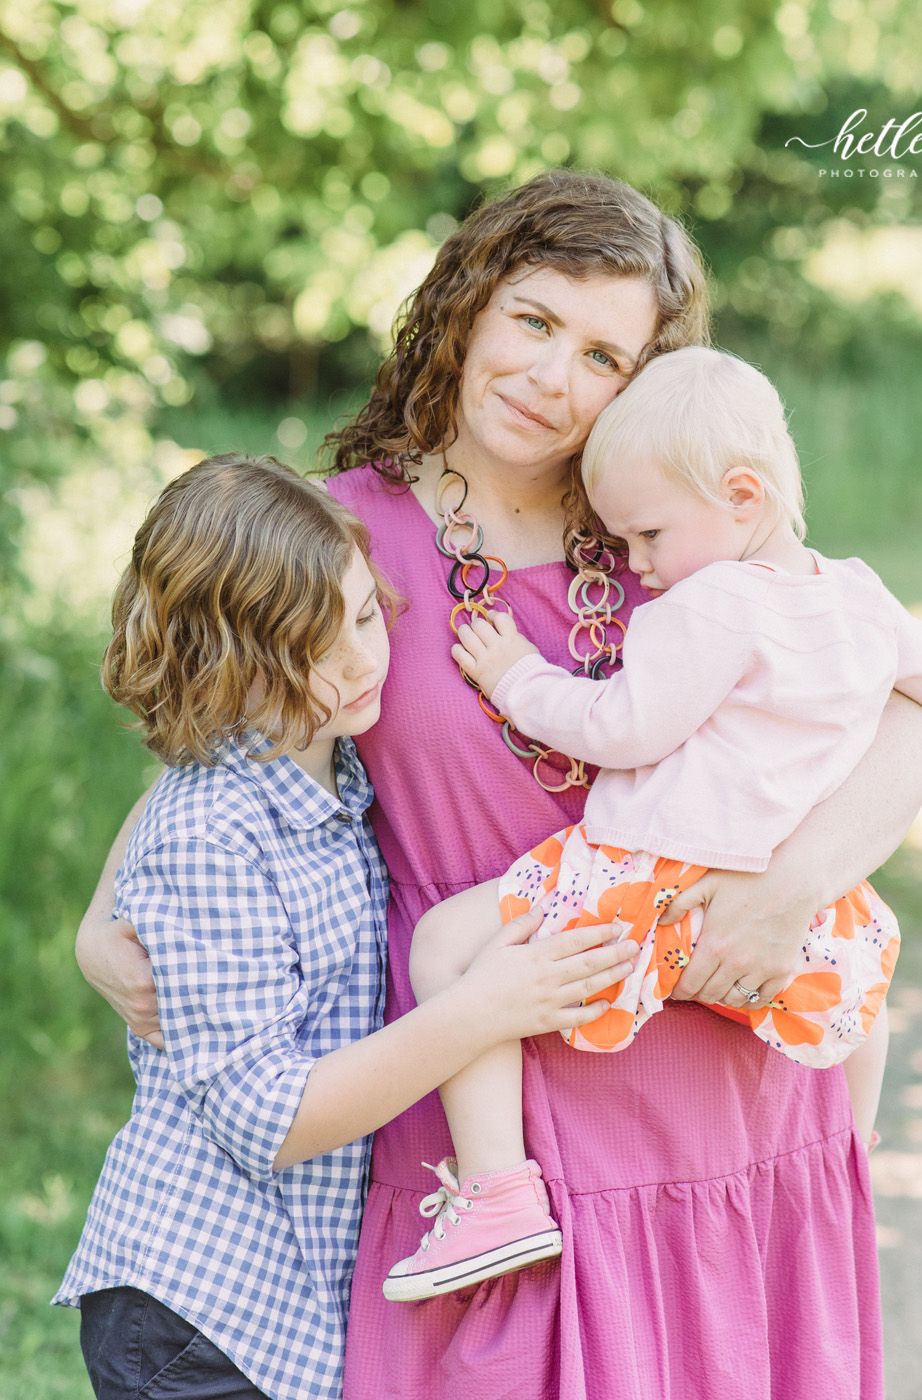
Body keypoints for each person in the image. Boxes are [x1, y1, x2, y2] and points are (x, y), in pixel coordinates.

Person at [76, 170, 922, 1400]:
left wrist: (790, 887)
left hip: (727, 1086)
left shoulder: (675, 521)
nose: (553, 377)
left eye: (604, 354)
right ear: (467, 305)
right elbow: (213, 740)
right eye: (533, 321)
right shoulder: (337, 536)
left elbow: (904, 722)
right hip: (490, 1117)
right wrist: (93, 920)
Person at [382, 347, 922, 1301]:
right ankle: (855, 1147)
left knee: (452, 946)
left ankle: (496, 1192)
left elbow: (625, 728)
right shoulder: (860, 595)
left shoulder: (708, 606)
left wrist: (515, 678)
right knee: (868, 996)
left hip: (648, 873)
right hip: (801, 896)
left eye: (650, 535)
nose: (640, 566)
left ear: (743, 497)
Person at [55, 453, 639, 1400]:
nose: (362, 660)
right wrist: (484, 1009)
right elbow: (266, 1119)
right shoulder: (211, 833)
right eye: (313, 649)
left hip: (282, 1302)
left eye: (365, 615)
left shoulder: (334, 763)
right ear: (225, 667)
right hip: (199, 1314)